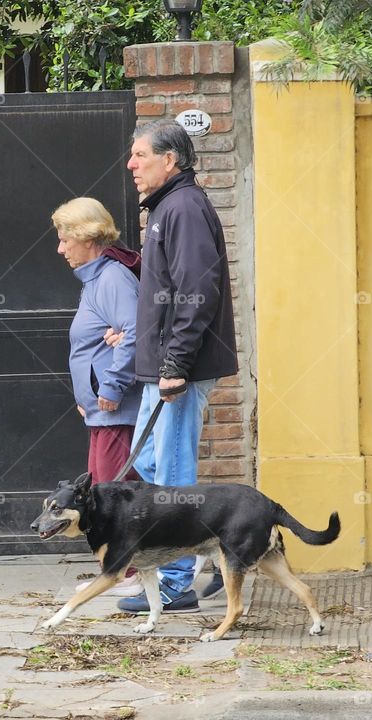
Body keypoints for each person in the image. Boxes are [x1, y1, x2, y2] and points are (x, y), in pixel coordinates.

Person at [108, 120, 238, 615]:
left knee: (175, 473)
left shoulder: (182, 207)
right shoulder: (167, 208)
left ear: (170, 160)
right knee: (153, 465)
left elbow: (196, 292)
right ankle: (201, 555)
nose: (131, 165)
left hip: (176, 370)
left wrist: (176, 363)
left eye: (140, 155)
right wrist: (139, 336)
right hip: (162, 365)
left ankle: (178, 580)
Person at [52, 197, 144, 598]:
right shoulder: (97, 279)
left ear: (86, 237)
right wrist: (86, 395)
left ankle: (135, 573)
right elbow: (100, 343)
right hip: (101, 413)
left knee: (116, 492)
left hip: (116, 411)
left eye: (64, 239)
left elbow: (135, 333)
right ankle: (122, 571)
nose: (60, 249)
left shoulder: (111, 279)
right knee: (103, 491)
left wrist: (108, 388)